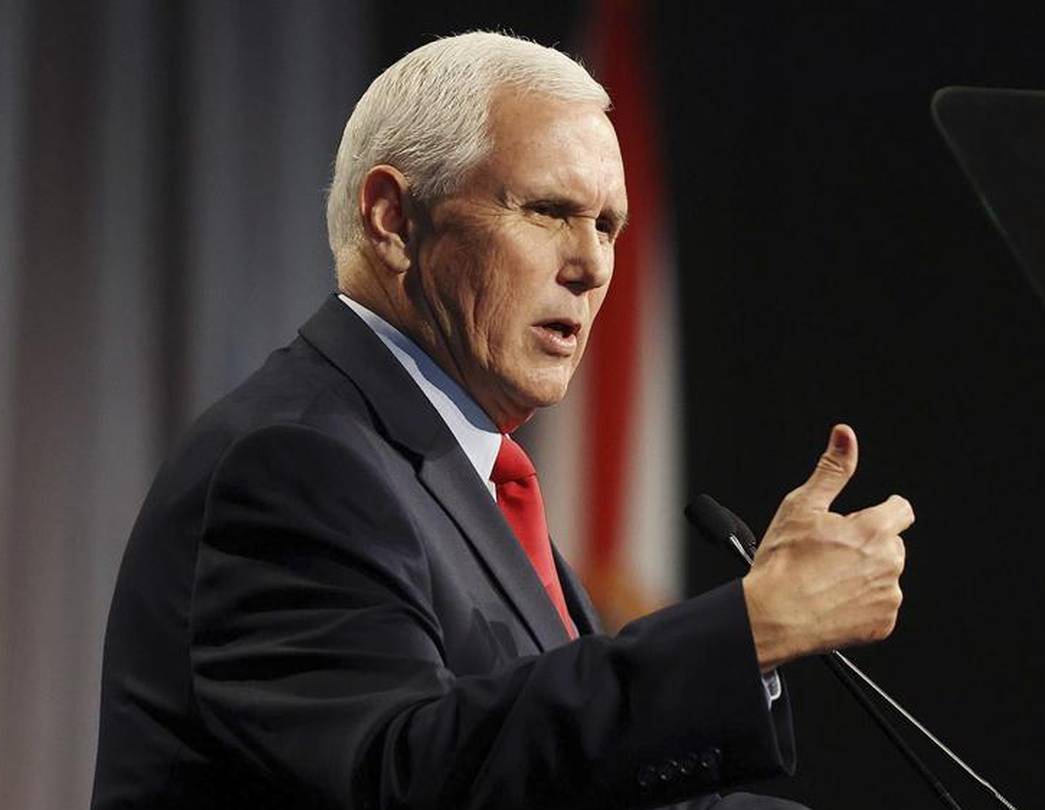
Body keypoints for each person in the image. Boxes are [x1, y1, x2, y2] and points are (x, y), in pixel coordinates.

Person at [91, 31, 912, 810]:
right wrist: (748, 627)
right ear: (391, 219)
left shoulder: (458, 478)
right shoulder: (294, 464)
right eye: (549, 210)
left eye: (608, 226)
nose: (591, 266)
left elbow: (571, 784)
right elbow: (403, 777)